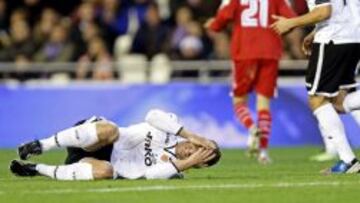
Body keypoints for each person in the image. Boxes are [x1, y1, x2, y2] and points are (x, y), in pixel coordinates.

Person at [271, 0, 360, 173]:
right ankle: (348, 162)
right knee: (338, 102)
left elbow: (324, 11)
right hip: (354, 38)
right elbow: (340, 10)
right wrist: (316, 30)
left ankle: (348, 161)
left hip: (334, 39)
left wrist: (291, 23)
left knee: (317, 99)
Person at [205, 0, 296, 164]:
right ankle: (263, 152)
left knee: (239, 100)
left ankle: (252, 128)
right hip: (270, 51)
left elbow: (223, 17)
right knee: (264, 104)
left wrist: (214, 25)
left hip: (244, 51)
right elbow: (291, 20)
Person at [10, 109, 221, 180]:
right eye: (197, 144)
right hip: (95, 138)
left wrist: (189, 162)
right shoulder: (173, 126)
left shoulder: (175, 171)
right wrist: (193, 135)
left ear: (200, 163)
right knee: (111, 130)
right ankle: (41, 145)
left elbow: (151, 175)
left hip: (95, 163)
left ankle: (36, 170)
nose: (192, 148)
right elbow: (152, 115)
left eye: (199, 152)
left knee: (106, 171)